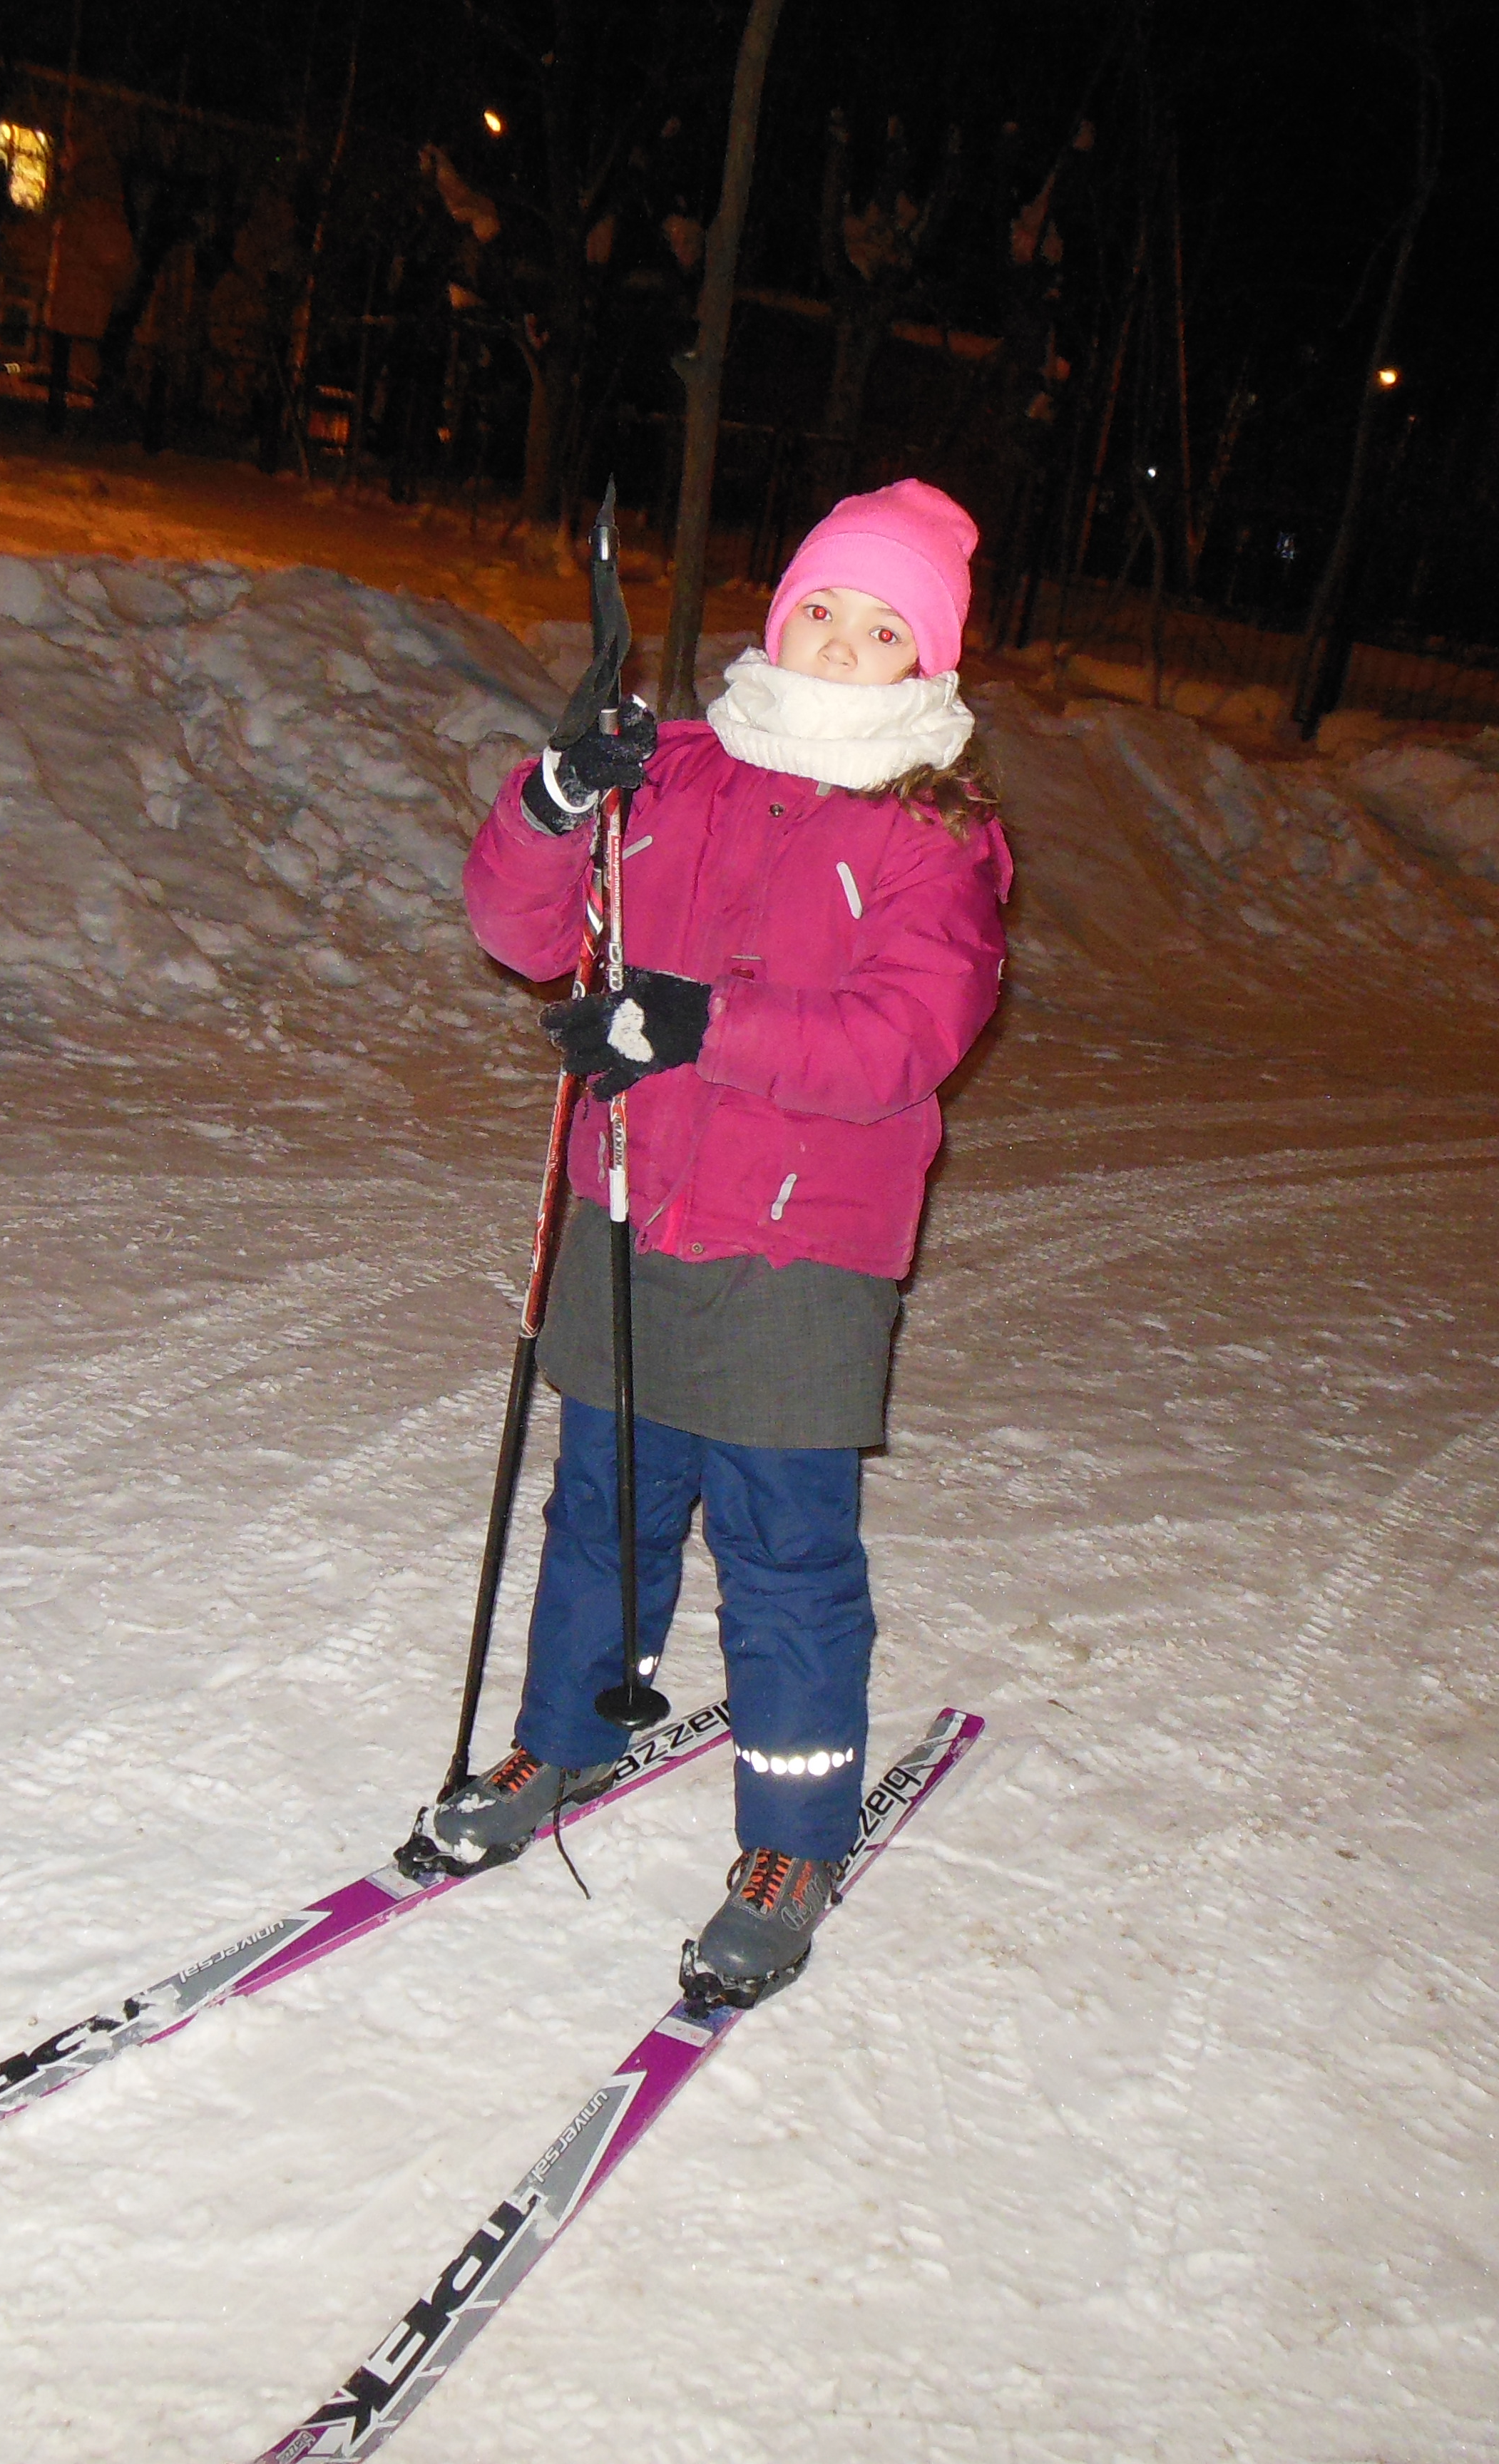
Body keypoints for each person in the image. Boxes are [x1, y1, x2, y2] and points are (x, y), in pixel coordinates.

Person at [435, 479, 1013, 1999]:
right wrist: (557, 797)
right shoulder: (674, 771)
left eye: (881, 629)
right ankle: (557, 1744)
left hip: (802, 1253)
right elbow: (519, 926)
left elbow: (901, 1039)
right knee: (605, 1513)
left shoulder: (932, 839)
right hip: (634, 1204)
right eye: (821, 607)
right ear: (781, 613)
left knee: (783, 1556)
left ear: (927, 664)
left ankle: (794, 1835)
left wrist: (696, 1024)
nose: (837, 643)